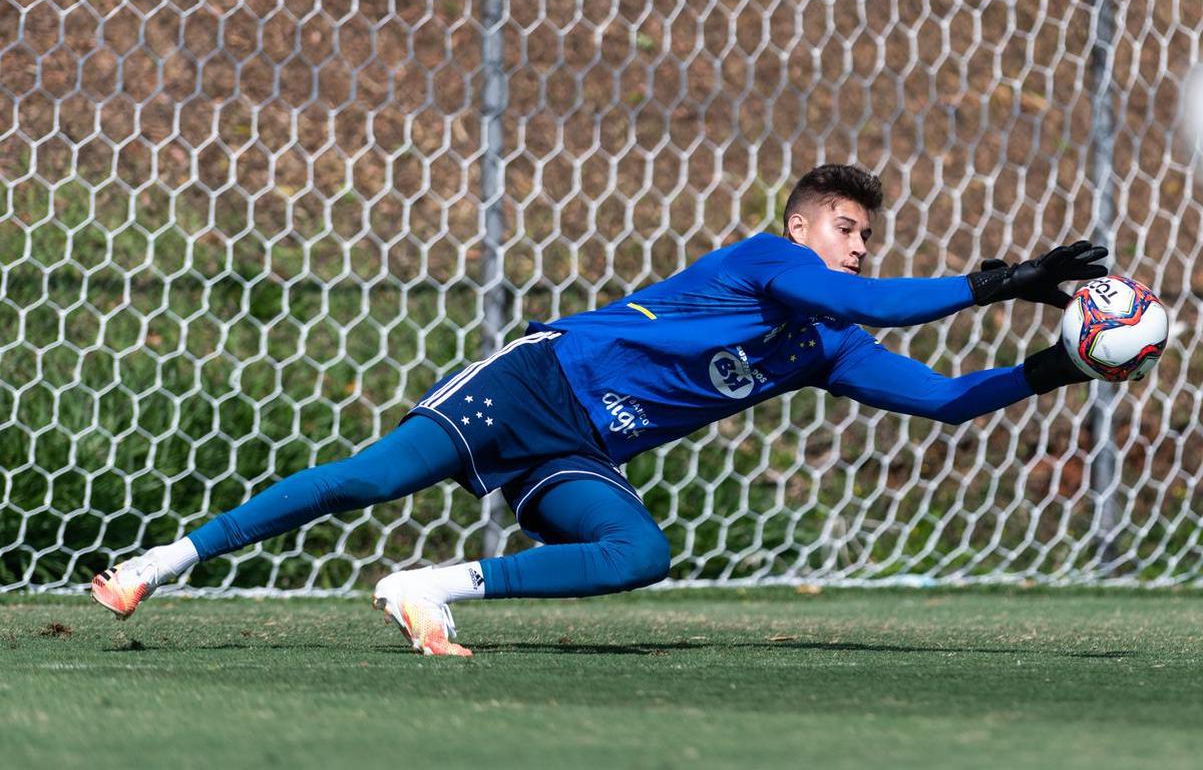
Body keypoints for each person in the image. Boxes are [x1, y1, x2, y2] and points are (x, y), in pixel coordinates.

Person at [90, 164, 1108, 656]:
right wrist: (1003, 279)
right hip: (539, 377)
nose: (859, 245)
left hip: (583, 442)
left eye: (866, 233)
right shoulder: (770, 266)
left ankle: (428, 587)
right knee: (368, 477)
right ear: (799, 227)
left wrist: (1061, 365)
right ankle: (159, 562)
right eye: (847, 227)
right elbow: (862, 296)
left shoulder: (824, 345)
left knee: (637, 549)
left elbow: (946, 401)